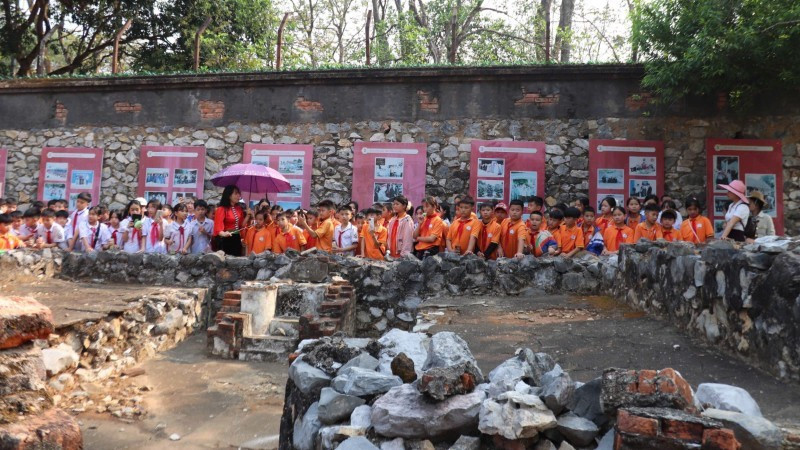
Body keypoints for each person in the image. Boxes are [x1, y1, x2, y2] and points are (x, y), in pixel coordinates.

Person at [213, 185, 247, 256]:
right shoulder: (221, 209)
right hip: (226, 239)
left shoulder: (239, 209)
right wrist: (224, 233)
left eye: (239, 193)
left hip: (236, 238)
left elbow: (242, 225)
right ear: (229, 195)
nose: (239, 195)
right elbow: (218, 228)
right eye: (236, 193)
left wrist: (248, 215)